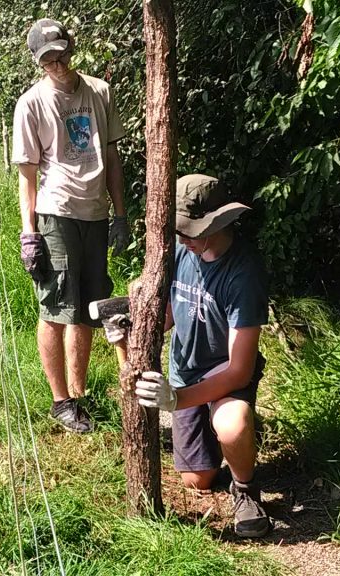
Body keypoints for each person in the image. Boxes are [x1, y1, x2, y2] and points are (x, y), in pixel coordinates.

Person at [105, 174, 271, 538]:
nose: (183, 240)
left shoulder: (244, 274)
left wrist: (176, 400)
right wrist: (129, 329)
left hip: (224, 374)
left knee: (233, 424)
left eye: (191, 232)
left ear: (218, 223)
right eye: (179, 232)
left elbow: (240, 370)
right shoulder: (178, 250)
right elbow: (166, 317)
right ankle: (216, 442)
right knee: (197, 481)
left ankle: (245, 488)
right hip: (184, 370)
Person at [12, 18, 129, 434]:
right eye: (48, 59)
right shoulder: (31, 104)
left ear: (71, 48)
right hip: (55, 212)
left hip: (95, 212)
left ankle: (78, 396)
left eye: (61, 55)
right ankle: (59, 400)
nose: (57, 64)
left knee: (89, 307)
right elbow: (27, 175)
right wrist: (30, 232)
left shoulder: (99, 91)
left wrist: (120, 214)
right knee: (57, 308)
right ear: (37, 61)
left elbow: (112, 159)